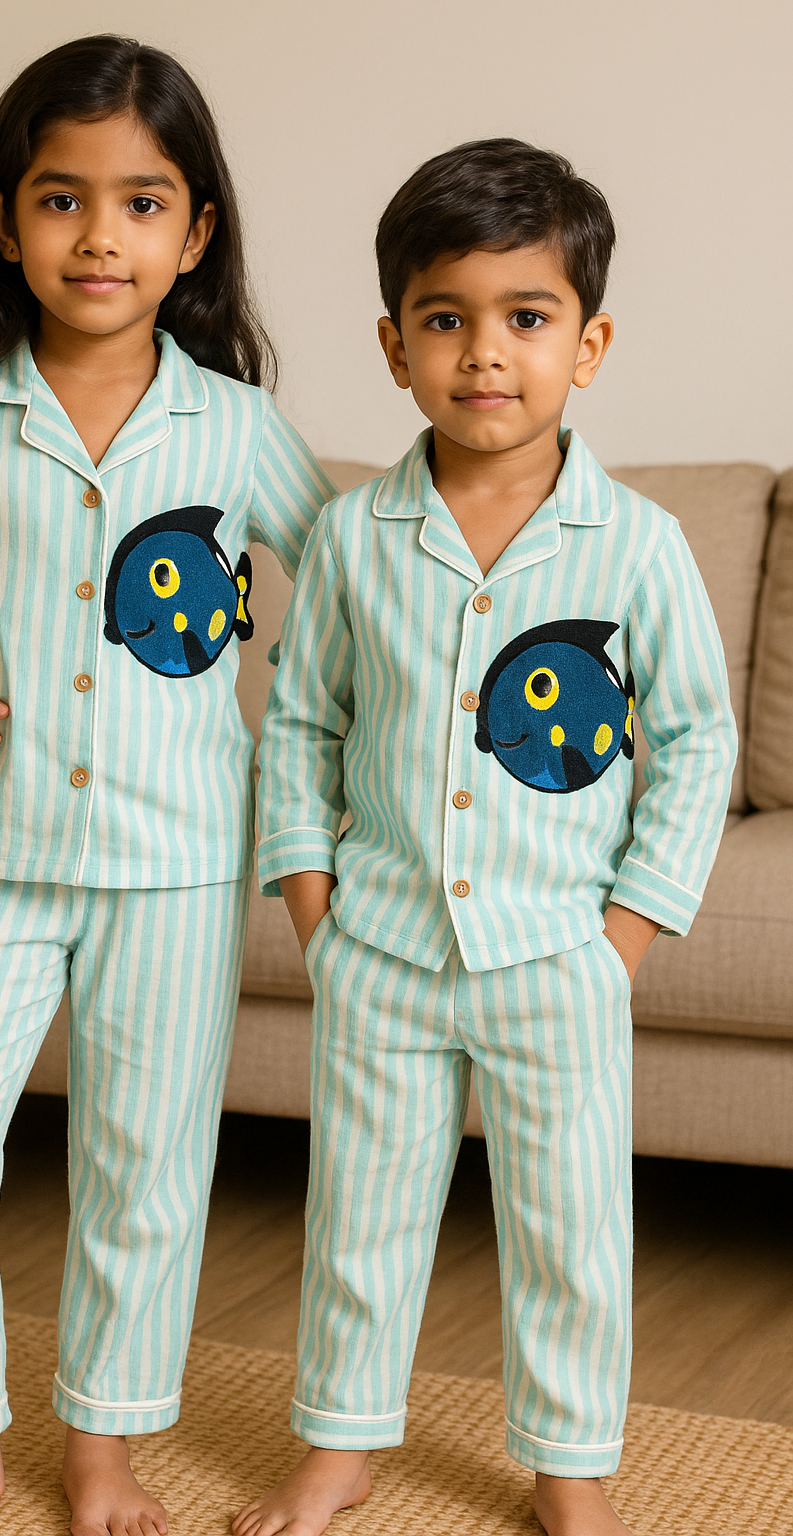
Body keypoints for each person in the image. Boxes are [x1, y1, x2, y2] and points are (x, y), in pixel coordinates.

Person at [0, 34, 334, 1536]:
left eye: (144, 203)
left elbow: (346, 593)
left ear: (197, 232)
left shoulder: (235, 427)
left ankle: (105, 1450)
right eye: (63, 199)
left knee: (143, 1172)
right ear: (6, 221)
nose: (102, 236)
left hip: (177, 863)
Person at [236, 139, 737, 1536]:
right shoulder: (348, 537)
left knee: (571, 1235)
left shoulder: (636, 544)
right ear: (395, 345)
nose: (485, 354)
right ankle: (339, 1449)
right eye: (447, 320)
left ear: (590, 342)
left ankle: (569, 1467)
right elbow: (301, 730)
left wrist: (623, 935)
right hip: (380, 954)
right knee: (358, 1224)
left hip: (557, 959)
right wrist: (316, 917)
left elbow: (697, 741)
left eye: (527, 318)